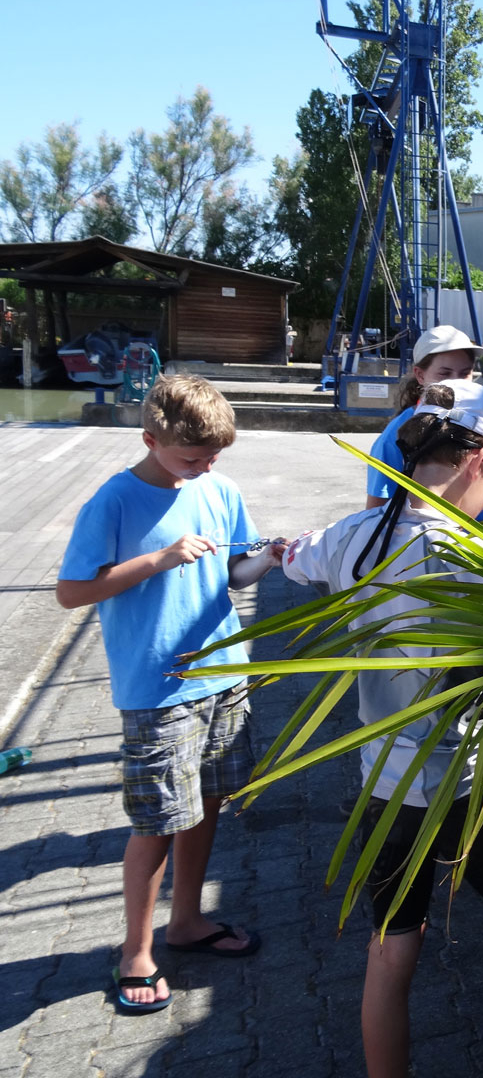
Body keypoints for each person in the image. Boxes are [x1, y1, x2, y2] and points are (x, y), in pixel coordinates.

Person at [282, 379, 483, 1078]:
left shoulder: (352, 536)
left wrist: (271, 551)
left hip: (385, 787)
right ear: (479, 461)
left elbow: (293, 559)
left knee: (392, 948)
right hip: (477, 787)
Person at [55, 375, 284, 1015]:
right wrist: (160, 559)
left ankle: (186, 921)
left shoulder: (220, 488)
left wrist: (267, 559)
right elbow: (72, 591)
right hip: (158, 687)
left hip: (224, 674)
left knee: (207, 803)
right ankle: (136, 951)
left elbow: (234, 573)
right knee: (157, 821)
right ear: (150, 440)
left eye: (214, 456)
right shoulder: (114, 500)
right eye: (192, 458)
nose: (205, 467)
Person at [365, 324, 483, 509]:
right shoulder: (394, 437)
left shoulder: (476, 424)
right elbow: (376, 511)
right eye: (445, 374)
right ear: (420, 375)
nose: (456, 383)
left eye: (465, 373)